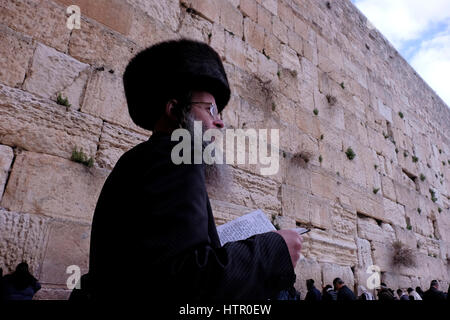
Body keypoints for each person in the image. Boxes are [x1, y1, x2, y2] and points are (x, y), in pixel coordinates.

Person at [85, 39, 303, 301]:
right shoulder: (175, 158)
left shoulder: (143, 158)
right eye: (210, 109)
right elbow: (186, 281)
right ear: (175, 110)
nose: (219, 122)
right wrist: (274, 250)